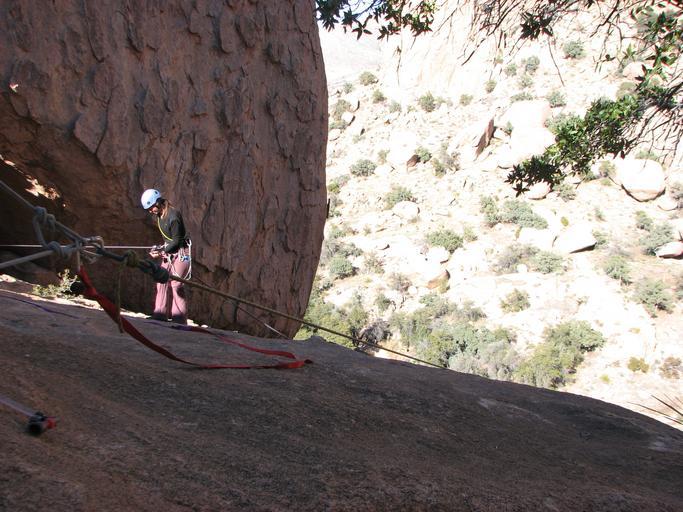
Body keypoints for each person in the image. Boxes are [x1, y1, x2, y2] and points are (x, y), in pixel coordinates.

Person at [140, 189, 191, 324]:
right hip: (170, 251)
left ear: (158, 202)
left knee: (176, 284)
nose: (150, 211)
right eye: (149, 209)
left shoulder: (173, 216)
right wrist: (159, 249)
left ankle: (179, 319)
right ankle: (160, 314)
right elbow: (168, 241)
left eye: (151, 208)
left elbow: (176, 241)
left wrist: (161, 251)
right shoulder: (160, 216)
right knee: (161, 278)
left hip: (181, 252)